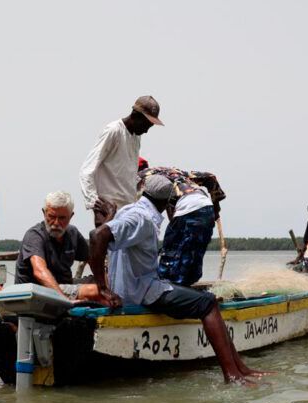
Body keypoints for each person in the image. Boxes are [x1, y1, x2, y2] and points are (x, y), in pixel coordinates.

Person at [88, 175, 267, 385]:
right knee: (208, 303)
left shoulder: (129, 211)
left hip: (137, 288)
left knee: (200, 297)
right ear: (166, 203)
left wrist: (109, 217)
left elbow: (103, 237)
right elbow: (97, 236)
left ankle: (241, 369)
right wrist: (102, 288)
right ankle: (233, 375)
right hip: (144, 293)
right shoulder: (142, 218)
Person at [79, 96, 164, 227]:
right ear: (136, 115)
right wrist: (95, 207)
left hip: (128, 211)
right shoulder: (113, 131)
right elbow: (86, 171)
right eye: (146, 124)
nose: (147, 131)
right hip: (108, 211)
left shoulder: (136, 138)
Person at [138, 165, 226, 286]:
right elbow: (211, 177)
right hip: (206, 207)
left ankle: (169, 290)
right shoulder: (178, 173)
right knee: (194, 255)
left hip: (187, 209)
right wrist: (215, 208)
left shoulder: (145, 177)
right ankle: (188, 288)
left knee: (170, 255)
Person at [14, 191, 105, 302]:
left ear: (71, 216)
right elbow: (39, 271)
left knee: (109, 283)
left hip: (64, 285)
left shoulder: (73, 233)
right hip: (37, 291)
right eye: (51, 216)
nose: (56, 223)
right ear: (44, 213)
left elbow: (92, 260)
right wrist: (64, 301)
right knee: (96, 291)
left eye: (62, 218)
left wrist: (104, 281)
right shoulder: (35, 235)